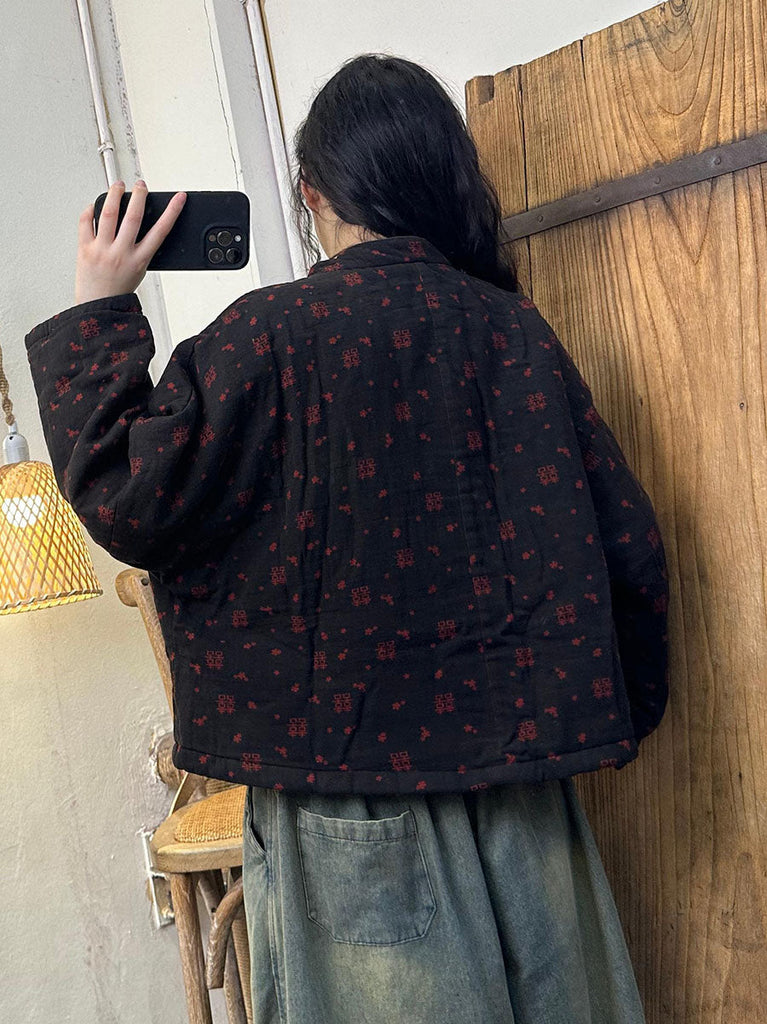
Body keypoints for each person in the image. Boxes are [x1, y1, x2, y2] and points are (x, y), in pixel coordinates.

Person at [25, 52, 669, 1024]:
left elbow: (127, 495)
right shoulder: (514, 334)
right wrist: (598, 714)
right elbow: (628, 547)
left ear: (312, 194)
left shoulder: (264, 337)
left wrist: (98, 307)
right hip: (523, 793)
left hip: (342, 799)